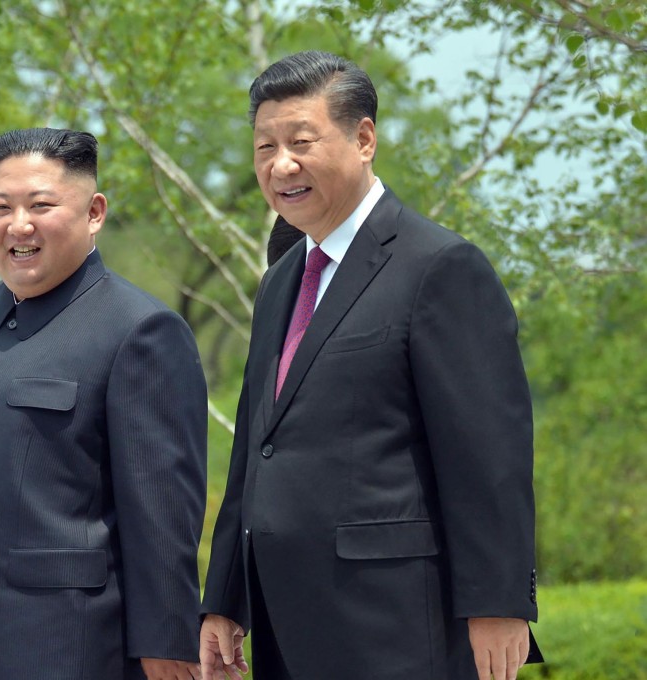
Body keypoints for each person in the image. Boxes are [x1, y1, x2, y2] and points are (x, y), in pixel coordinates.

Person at [199, 51, 543, 680]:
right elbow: (255, 448)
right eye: (265, 147)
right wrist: (223, 598)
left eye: (301, 142)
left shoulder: (439, 267)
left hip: (396, 625)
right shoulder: (280, 282)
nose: (281, 165)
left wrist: (498, 602)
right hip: (285, 623)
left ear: (363, 139)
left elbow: (487, 454)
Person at [0, 127, 207, 680]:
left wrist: (166, 642)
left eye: (41, 205)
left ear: (94, 212)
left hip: (59, 646)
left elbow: (162, 513)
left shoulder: (140, 329)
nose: (18, 225)